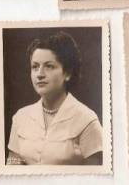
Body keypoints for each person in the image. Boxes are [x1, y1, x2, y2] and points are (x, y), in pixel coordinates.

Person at [6, 31, 103, 165]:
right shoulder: (20, 118)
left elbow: (96, 178)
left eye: (49, 66)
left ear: (67, 73)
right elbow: (12, 172)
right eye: (35, 67)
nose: (39, 74)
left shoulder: (87, 120)